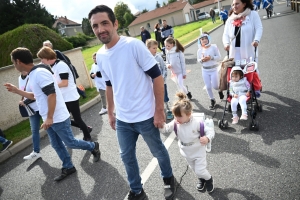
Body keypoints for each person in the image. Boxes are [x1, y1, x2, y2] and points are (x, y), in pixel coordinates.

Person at [89, 5, 176, 200]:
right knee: (126, 157)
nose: (100, 29)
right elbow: (109, 85)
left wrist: (159, 110)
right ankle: (137, 191)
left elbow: (157, 77)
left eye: (104, 23)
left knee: (158, 151)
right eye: (95, 26)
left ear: (115, 23)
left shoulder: (133, 45)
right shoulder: (101, 56)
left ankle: (169, 178)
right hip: (123, 118)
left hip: (146, 115)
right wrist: (111, 111)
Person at [5, 47, 100, 181]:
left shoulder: (39, 73)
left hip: (57, 117)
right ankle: (68, 166)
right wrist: (17, 91)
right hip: (49, 117)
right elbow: (36, 95)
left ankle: (93, 146)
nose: (14, 65)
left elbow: (51, 94)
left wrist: (49, 117)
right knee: (56, 144)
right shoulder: (32, 74)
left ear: (18, 61)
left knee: (70, 142)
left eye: (13, 62)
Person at [159, 92, 215, 193]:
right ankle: (201, 178)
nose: (176, 119)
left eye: (179, 116)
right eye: (175, 116)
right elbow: (166, 129)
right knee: (194, 169)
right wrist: (160, 124)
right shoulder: (176, 122)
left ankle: (209, 179)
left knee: (200, 170)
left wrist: (207, 138)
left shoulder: (196, 123)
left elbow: (210, 130)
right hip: (186, 152)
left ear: (189, 114)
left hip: (198, 151)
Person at [37, 46, 93, 141]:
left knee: (77, 119)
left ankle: (87, 136)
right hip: (64, 97)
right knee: (65, 119)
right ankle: (86, 128)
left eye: (42, 58)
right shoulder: (53, 66)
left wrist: (49, 87)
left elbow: (64, 83)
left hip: (70, 97)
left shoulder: (61, 65)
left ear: (47, 57)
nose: (41, 61)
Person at [222, 0, 263, 65]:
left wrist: (256, 40)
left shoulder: (253, 14)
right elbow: (225, 34)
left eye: (237, 4)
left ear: (244, 4)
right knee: (236, 74)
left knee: (249, 73)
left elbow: (259, 28)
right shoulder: (230, 19)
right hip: (234, 53)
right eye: (233, 5)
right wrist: (226, 44)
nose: (234, 6)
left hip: (248, 51)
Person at [146, 39, 173, 120]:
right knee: (153, 97)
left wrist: (163, 78)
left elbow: (164, 67)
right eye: (153, 48)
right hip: (151, 83)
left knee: (164, 96)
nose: (156, 50)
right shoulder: (145, 59)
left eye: (156, 48)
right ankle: (155, 112)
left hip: (161, 82)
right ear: (148, 48)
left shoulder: (158, 57)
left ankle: (168, 109)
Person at [19, 71, 43, 160]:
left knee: (53, 125)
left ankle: (64, 140)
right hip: (31, 110)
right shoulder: (20, 78)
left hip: (40, 106)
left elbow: (36, 94)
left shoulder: (33, 75)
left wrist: (25, 102)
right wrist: (22, 100)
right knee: (34, 130)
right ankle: (36, 152)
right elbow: (23, 92)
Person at [197, 32, 221, 109]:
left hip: (213, 69)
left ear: (208, 39)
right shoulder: (199, 50)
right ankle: (212, 100)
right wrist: (202, 60)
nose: (204, 40)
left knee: (215, 86)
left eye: (205, 38)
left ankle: (219, 90)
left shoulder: (214, 47)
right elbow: (198, 59)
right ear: (200, 41)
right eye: (202, 39)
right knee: (208, 87)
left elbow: (219, 56)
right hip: (205, 70)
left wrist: (211, 57)